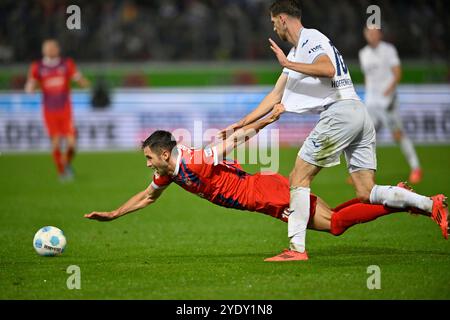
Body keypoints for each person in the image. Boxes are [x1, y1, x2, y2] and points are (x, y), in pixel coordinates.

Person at [218, 0, 448, 261]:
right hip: (357, 112)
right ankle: (431, 204)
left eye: (273, 22)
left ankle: (296, 250)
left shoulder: (309, 39)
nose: (274, 29)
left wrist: (288, 63)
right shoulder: (296, 52)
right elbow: (275, 95)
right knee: (365, 191)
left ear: (283, 19)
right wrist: (242, 122)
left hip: (340, 113)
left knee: (298, 177)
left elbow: (328, 69)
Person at [85, 123, 447, 261]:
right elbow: (147, 195)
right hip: (265, 195)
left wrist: (266, 118)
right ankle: (396, 198)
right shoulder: (172, 172)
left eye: (150, 158)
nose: (148, 165)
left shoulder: (193, 161)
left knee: (335, 225)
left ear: (164, 154)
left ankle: (420, 204)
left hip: (266, 193)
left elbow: (232, 141)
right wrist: (115, 214)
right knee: (335, 218)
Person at [359, 27, 422, 184]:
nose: (371, 36)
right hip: (372, 103)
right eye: (368, 33)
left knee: (398, 135)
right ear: (365, 35)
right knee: (368, 138)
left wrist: (388, 93)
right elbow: (369, 78)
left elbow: (397, 73)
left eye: (374, 33)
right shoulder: (363, 54)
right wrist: (368, 98)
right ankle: (365, 174)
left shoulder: (389, 50)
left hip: (388, 102)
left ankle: (416, 168)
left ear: (380, 34)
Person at [25, 39, 90, 181]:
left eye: (53, 47)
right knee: (55, 142)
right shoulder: (37, 67)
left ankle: (65, 162)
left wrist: (85, 83)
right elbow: (30, 86)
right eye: (47, 47)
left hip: (65, 109)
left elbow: (79, 78)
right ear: (43, 50)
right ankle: (62, 172)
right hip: (49, 110)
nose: (50, 50)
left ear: (58, 49)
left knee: (72, 143)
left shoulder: (67, 64)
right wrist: (31, 88)